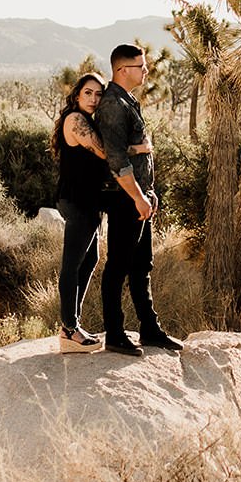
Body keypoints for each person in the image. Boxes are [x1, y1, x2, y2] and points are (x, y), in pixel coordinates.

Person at [94, 44, 183, 355]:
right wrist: (137, 197)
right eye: (140, 66)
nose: (146, 71)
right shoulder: (113, 105)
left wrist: (149, 191)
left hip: (138, 196)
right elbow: (116, 160)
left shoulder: (127, 100)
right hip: (123, 198)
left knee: (141, 264)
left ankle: (149, 329)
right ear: (122, 70)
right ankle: (115, 334)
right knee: (118, 265)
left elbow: (137, 153)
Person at [51, 73, 111, 352]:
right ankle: (69, 330)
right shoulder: (75, 120)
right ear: (77, 96)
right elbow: (103, 151)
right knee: (73, 264)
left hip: (88, 201)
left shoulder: (87, 121)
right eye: (88, 93)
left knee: (89, 259)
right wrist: (139, 146)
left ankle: (72, 324)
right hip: (76, 200)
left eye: (99, 94)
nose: (93, 99)